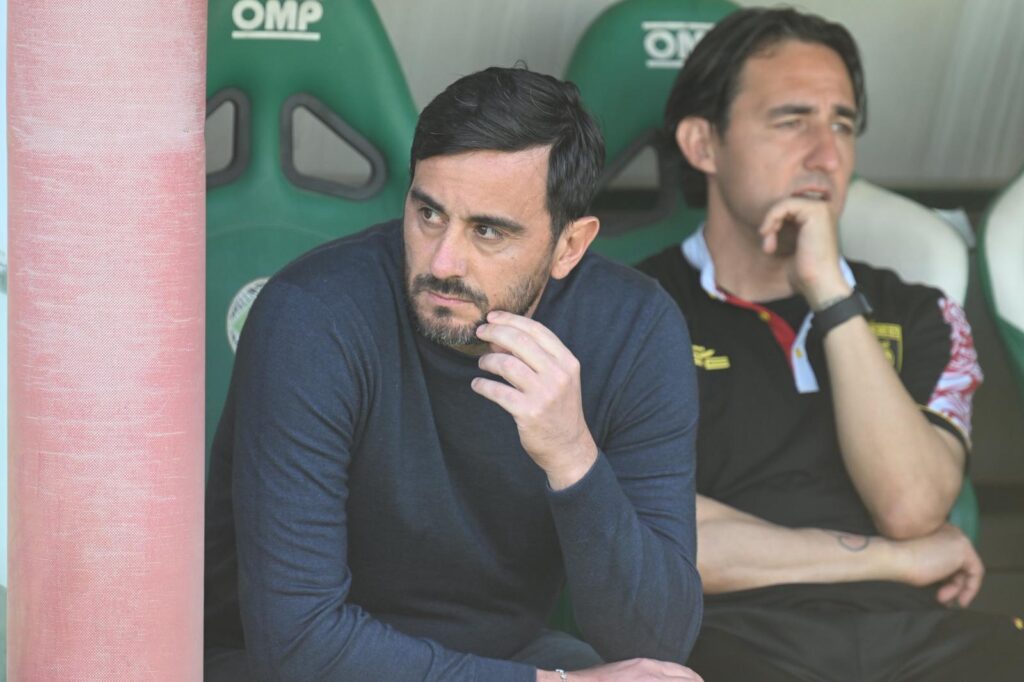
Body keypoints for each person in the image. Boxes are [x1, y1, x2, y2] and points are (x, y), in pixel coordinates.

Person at [205, 66, 704, 681]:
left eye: (487, 231)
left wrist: (572, 456)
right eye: (429, 214)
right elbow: (298, 642)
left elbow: (656, 638)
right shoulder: (313, 316)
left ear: (570, 246)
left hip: (509, 658)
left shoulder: (635, 328)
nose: (443, 262)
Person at [638, 7, 1024, 681]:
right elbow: (650, 543)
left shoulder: (921, 312)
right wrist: (894, 560)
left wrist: (831, 295)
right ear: (703, 145)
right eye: (792, 121)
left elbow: (911, 508)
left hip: (925, 639)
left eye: (842, 124)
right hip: (724, 639)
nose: (826, 154)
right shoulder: (630, 313)